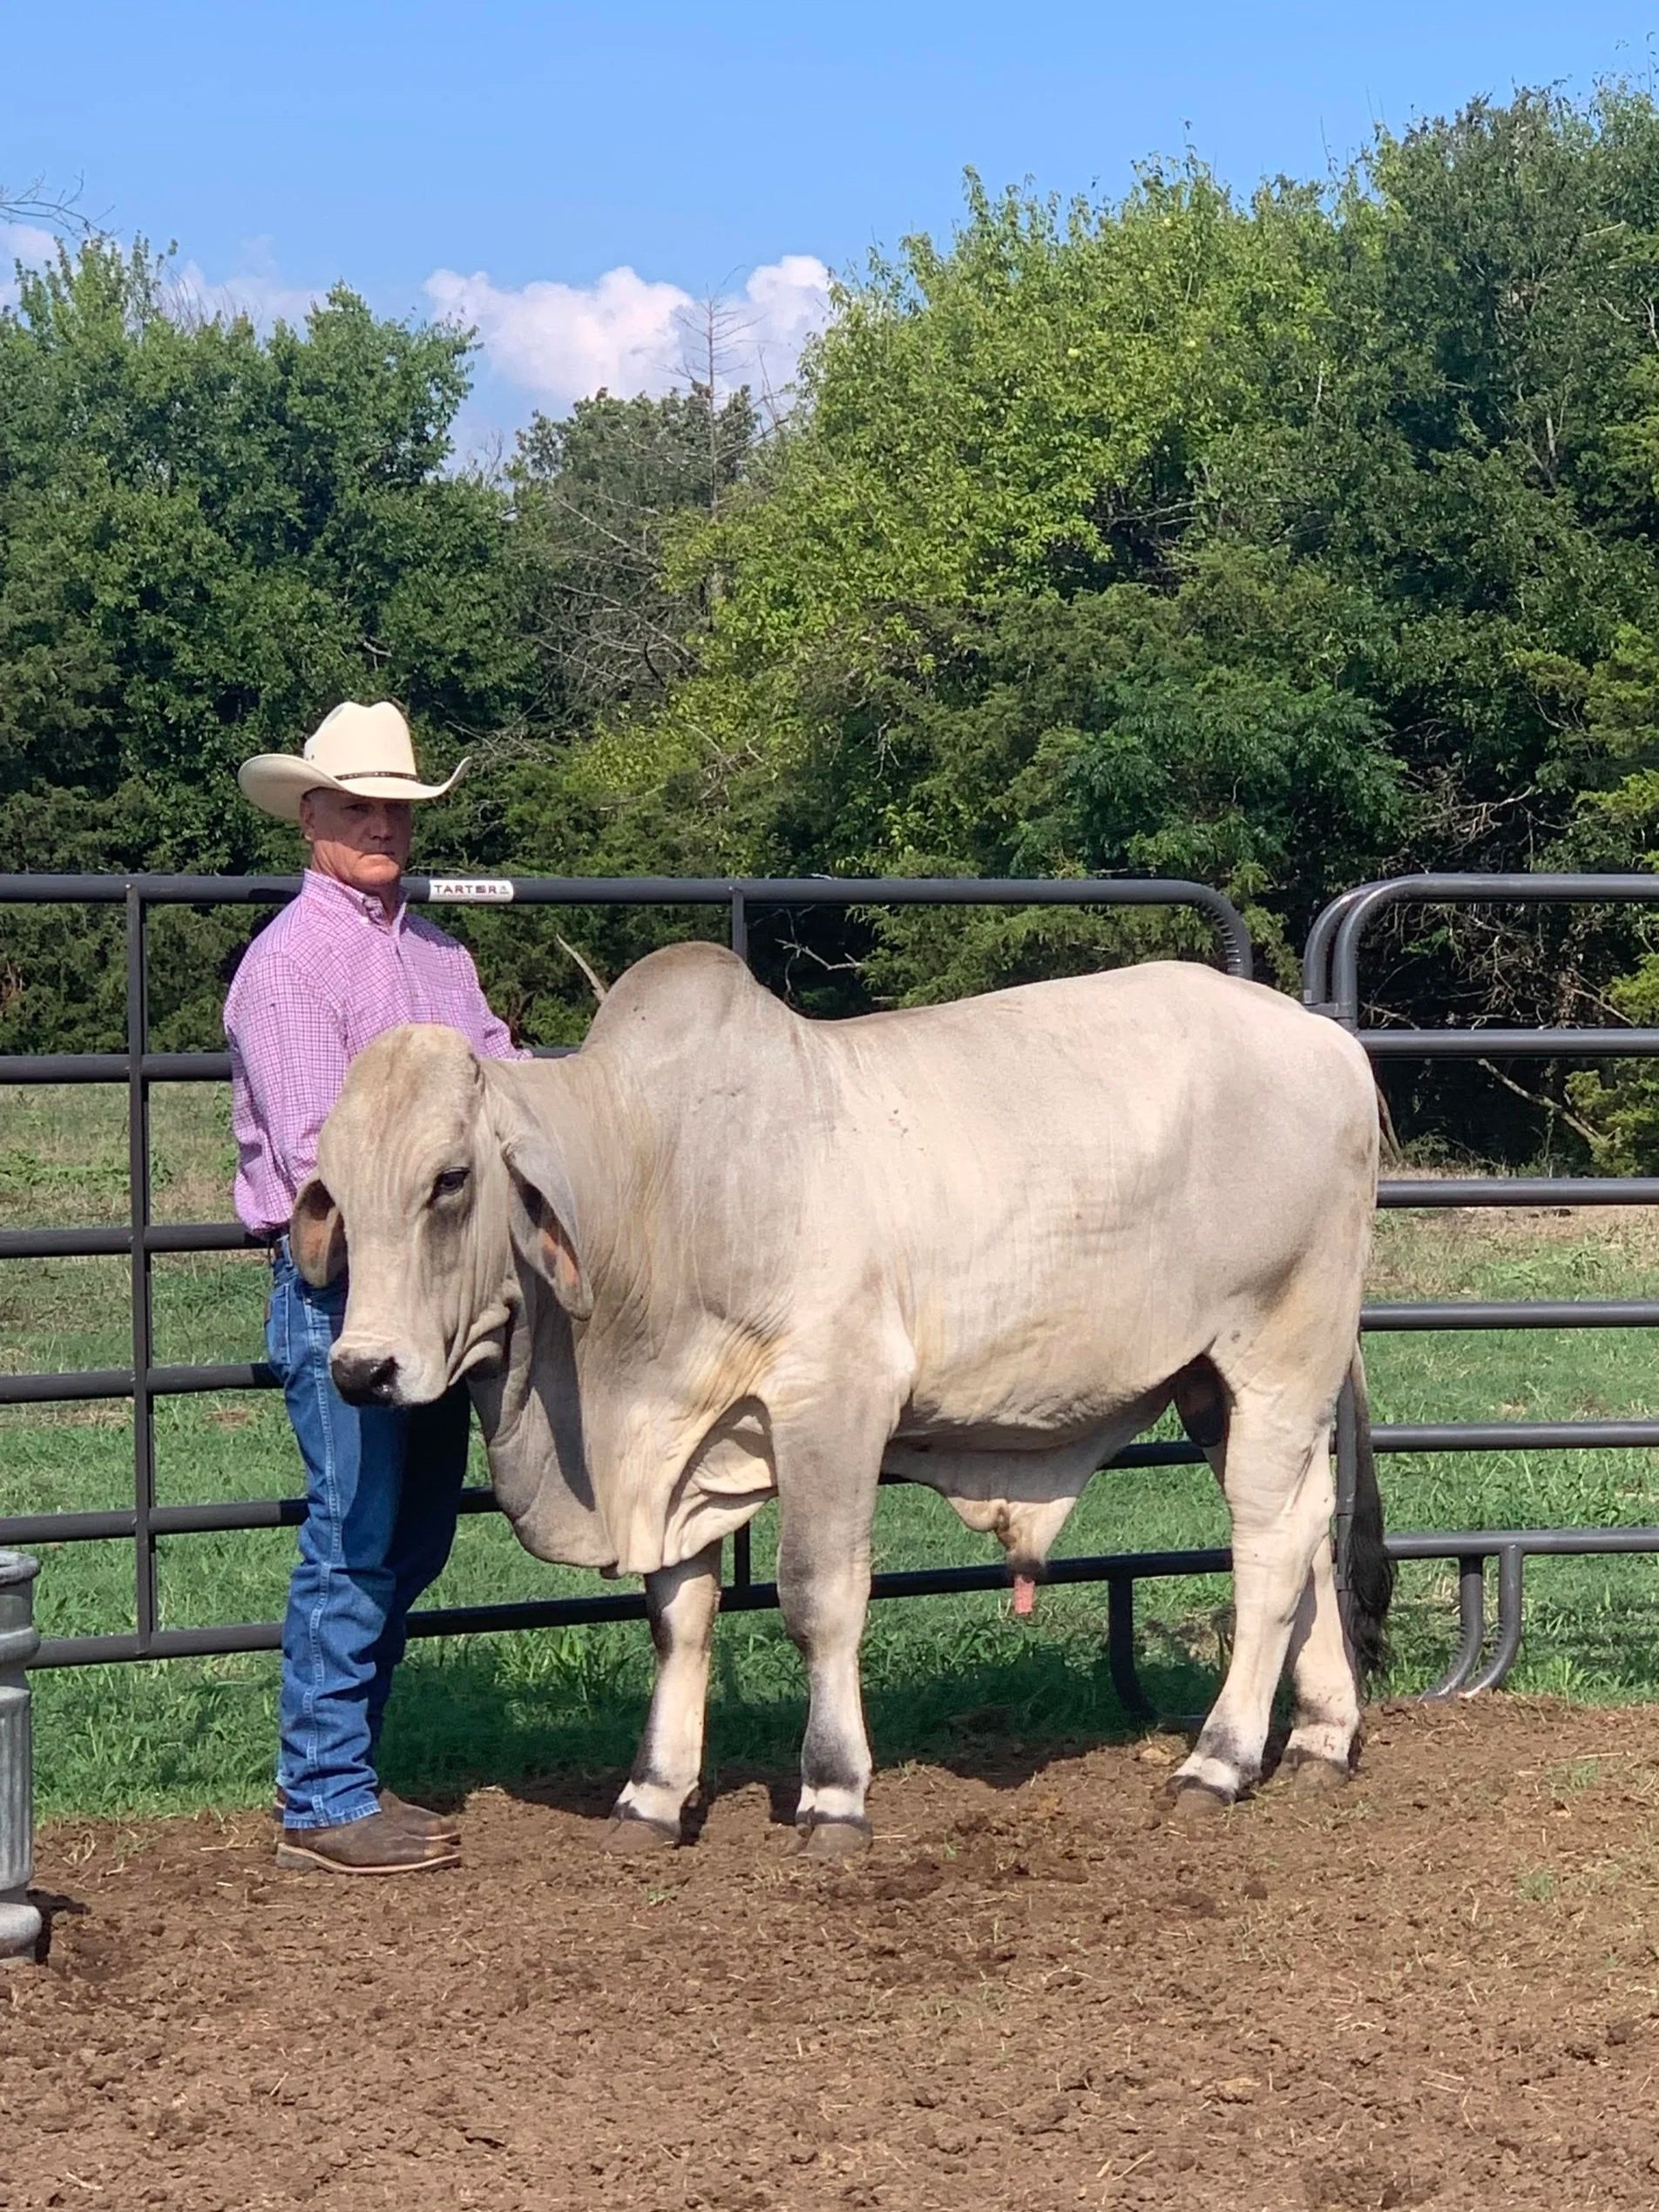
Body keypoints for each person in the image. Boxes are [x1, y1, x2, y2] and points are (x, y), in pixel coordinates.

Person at [226, 700, 529, 1876]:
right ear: (311, 815)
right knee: (358, 1535)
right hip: (345, 1288)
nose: (384, 827)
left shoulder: (439, 957)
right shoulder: (290, 969)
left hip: (434, 1290)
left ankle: (349, 1770)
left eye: (398, 809)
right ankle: (323, 1795)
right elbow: (320, 1157)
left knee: (408, 1537)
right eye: (359, 806)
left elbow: (499, 1081)